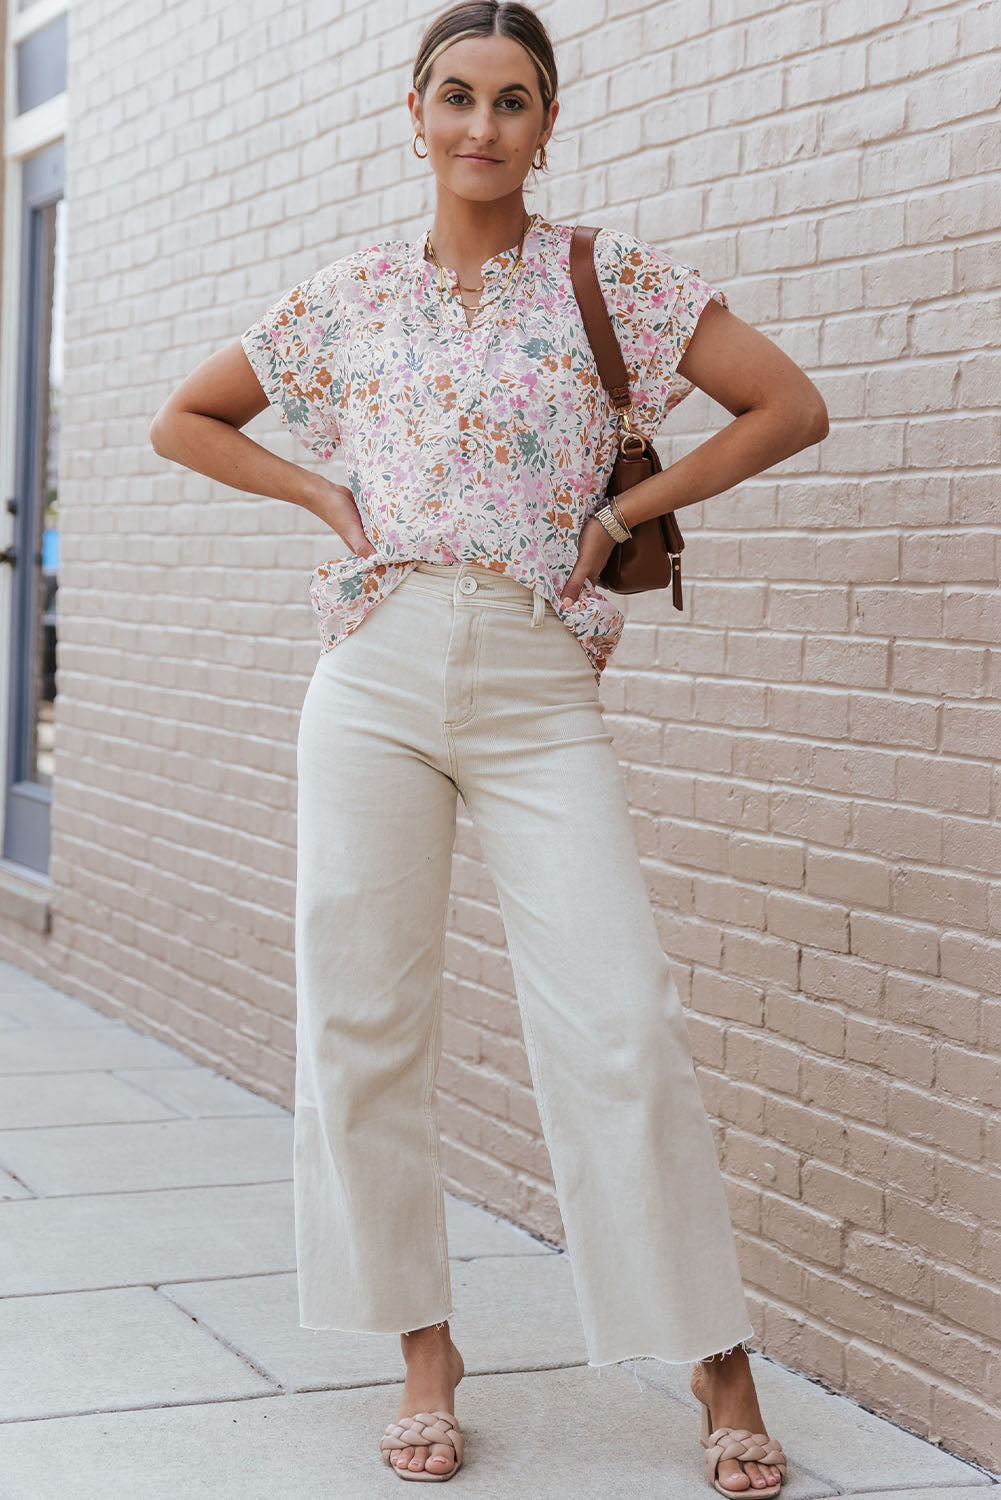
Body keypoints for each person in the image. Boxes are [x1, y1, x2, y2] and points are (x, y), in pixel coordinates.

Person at [150, 1, 827, 1487]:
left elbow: (787, 405)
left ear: (545, 122)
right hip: (374, 675)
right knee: (360, 1020)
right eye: (453, 96)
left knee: (617, 1023)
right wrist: (324, 503)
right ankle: (421, 1345)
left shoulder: (610, 279)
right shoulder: (345, 295)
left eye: (512, 101)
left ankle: (714, 1364)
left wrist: (623, 512)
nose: (480, 126)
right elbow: (187, 420)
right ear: (410, 111)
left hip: (535, 684)